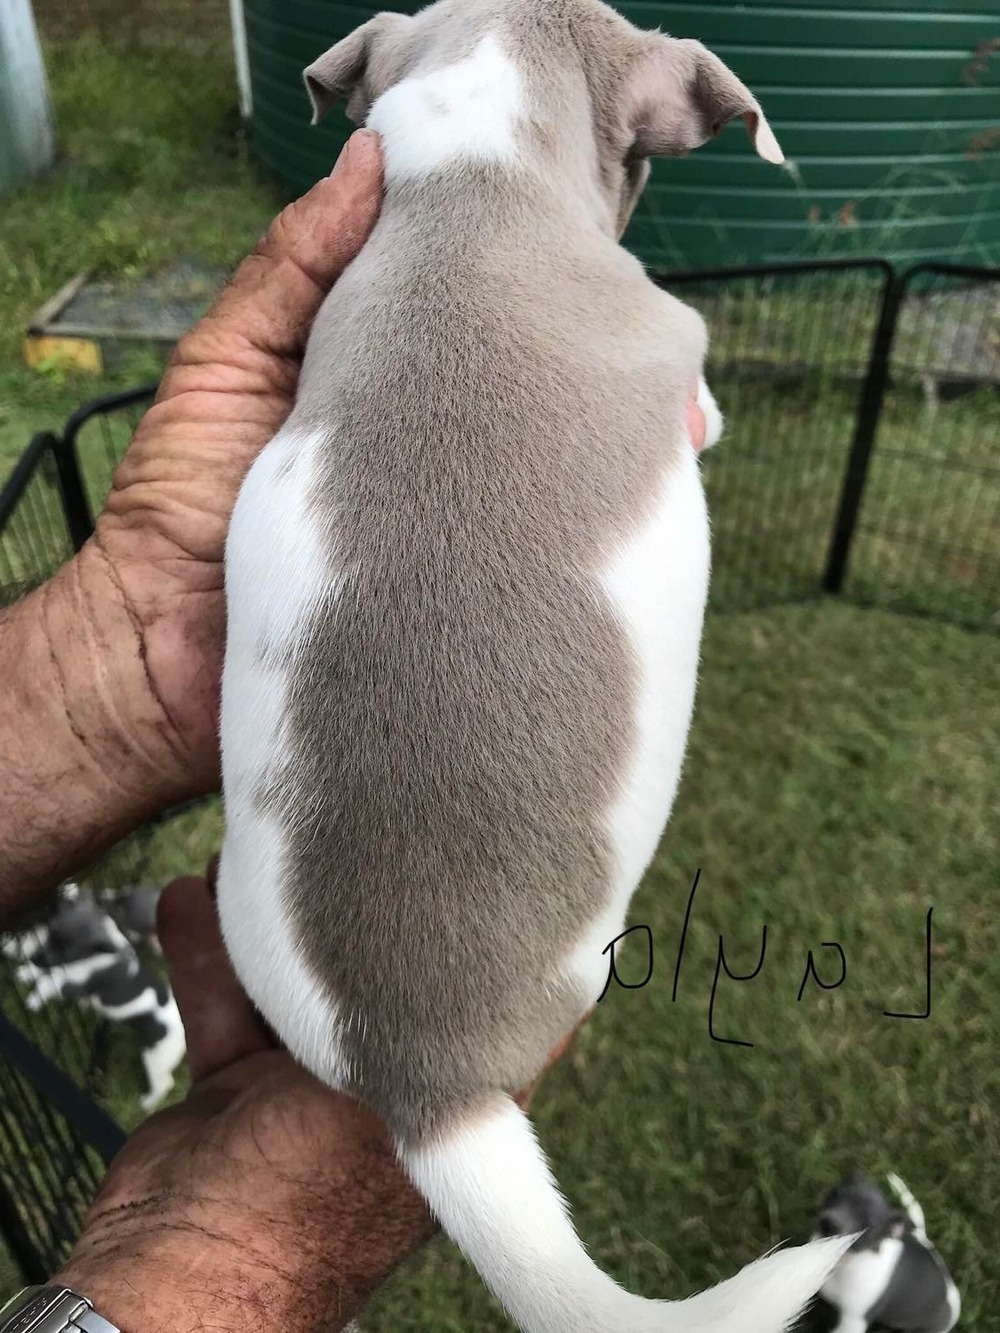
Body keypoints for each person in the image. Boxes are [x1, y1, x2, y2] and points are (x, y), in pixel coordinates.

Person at [0, 130, 707, 1331]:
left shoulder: (387, 246)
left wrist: (116, 672)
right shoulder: (609, 290)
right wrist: (223, 1252)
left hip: (310, 932)